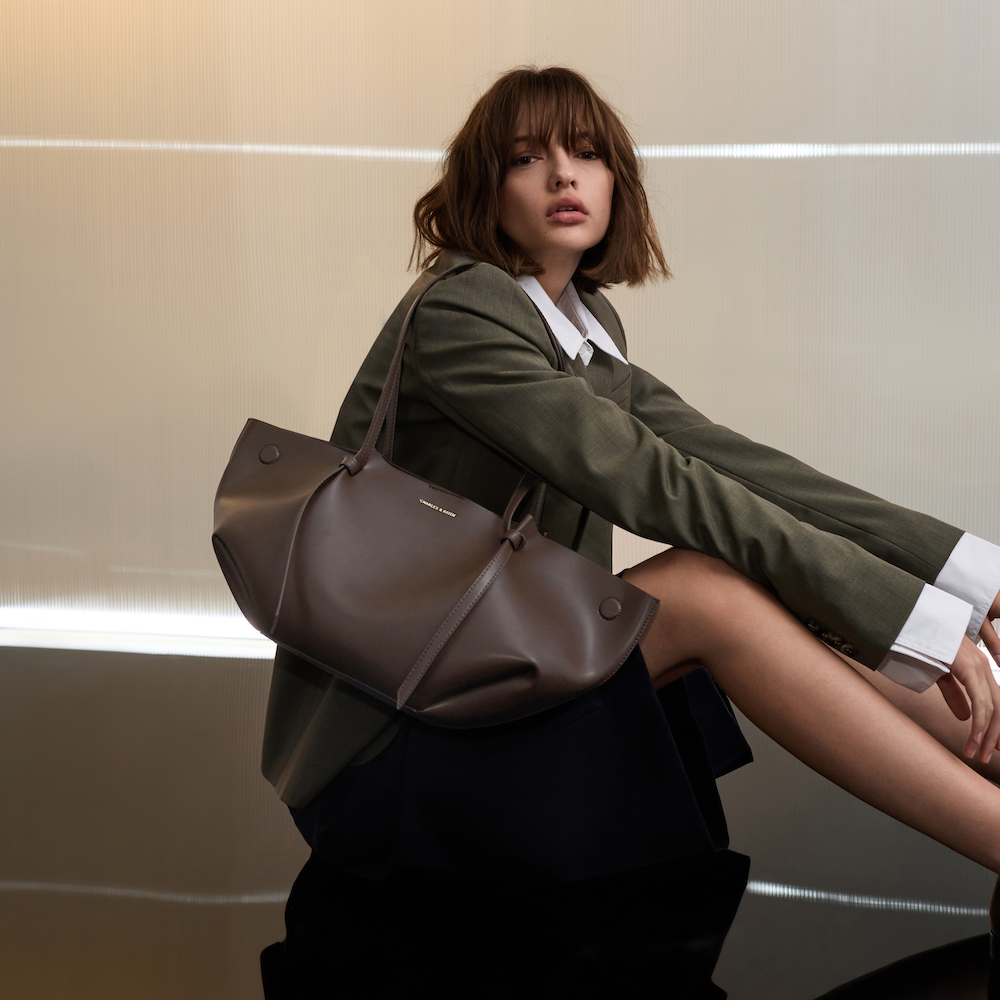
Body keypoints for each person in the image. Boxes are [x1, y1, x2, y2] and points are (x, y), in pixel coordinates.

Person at [260, 66, 1000, 991]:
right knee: (708, 589)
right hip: (394, 753)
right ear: (485, 188)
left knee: (748, 561)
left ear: (618, 184)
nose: (564, 177)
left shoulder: (579, 321)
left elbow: (736, 464)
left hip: (493, 681)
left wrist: (965, 582)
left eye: (588, 154)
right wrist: (912, 623)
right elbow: (658, 485)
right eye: (528, 159)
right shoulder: (461, 315)